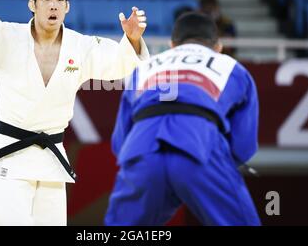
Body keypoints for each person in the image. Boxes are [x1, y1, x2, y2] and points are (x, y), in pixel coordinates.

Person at [0, 0, 149, 225]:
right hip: (11, 159)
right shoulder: (6, 38)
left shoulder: (81, 46)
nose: (53, 6)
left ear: (67, 7)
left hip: (52, 163)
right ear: (32, 5)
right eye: (46, 0)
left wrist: (133, 40)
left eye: (59, 1)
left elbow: (119, 63)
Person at [105, 12, 261, 226]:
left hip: (140, 149)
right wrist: (209, 174)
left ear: (172, 45)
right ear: (218, 47)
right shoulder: (231, 67)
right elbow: (243, 146)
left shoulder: (143, 69)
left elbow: (120, 141)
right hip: (199, 144)